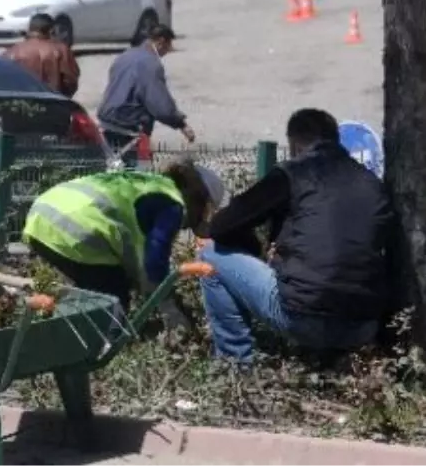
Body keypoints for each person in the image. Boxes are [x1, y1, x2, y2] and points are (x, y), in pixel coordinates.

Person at [197, 109, 399, 364]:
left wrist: (257, 247)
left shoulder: (294, 172)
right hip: (363, 325)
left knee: (210, 254)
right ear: (336, 140)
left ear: (293, 143)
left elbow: (221, 226)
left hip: (302, 317)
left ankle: (235, 364)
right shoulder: (374, 185)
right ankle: (327, 362)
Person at [21, 162, 222, 313]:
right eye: (206, 211)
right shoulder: (173, 205)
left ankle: (59, 326)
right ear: (198, 198)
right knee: (113, 300)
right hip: (76, 228)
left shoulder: (152, 184)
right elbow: (155, 256)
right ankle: (105, 351)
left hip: (41, 218)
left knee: (93, 291)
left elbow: (137, 255)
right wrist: (167, 304)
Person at [97, 24, 194, 164]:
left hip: (106, 121)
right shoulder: (151, 64)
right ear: (161, 42)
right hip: (129, 126)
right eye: (168, 47)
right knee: (140, 174)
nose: (166, 52)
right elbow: (160, 104)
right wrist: (181, 124)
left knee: (111, 167)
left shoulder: (125, 56)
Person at [2, 14, 80, 97]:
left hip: (20, 103)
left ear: (29, 29)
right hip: (52, 102)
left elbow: (3, 81)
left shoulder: (11, 52)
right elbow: (70, 80)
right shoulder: (61, 50)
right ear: (52, 31)